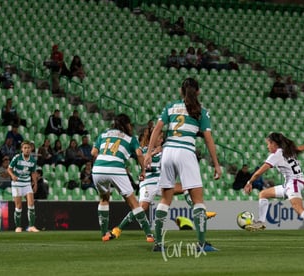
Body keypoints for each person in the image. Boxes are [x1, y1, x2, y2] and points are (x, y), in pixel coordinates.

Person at [145, 77, 222, 252]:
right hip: (186, 152)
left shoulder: (170, 107)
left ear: (181, 91)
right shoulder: (201, 111)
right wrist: (216, 164)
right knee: (198, 201)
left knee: (165, 199)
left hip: (168, 151)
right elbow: (208, 139)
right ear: (198, 92)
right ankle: (201, 244)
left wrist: (149, 152)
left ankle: (158, 244)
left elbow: (157, 129)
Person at [244, 132, 304, 237]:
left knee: (298, 208)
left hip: (294, 182)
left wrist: (249, 182)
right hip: (291, 183)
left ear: (274, 143)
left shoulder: (276, 155)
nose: (267, 146)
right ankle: (261, 222)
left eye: (268, 144)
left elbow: (259, 172)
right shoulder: (288, 151)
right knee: (263, 194)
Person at [91, 113, 154, 243]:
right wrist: (143, 170)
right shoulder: (130, 139)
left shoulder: (104, 134)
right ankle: (149, 234)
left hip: (98, 168)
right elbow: (139, 154)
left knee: (104, 198)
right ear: (126, 125)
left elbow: (93, 152)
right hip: (116, 168)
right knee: (133, 203)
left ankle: (104, 234)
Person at [7, 141, 39, 232]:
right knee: (18, 206)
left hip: (27, 183)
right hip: (17, 184)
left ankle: (31, 226)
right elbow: (9, 169)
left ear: (31, 149)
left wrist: (35, 183)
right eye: (25, 148)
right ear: (22, 149)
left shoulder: (33, 160)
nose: (27, 150)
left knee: (31, 204)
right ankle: (18, 227)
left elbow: (33, 172)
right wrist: (12, 175)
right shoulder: (17, 158)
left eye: (28, 148)